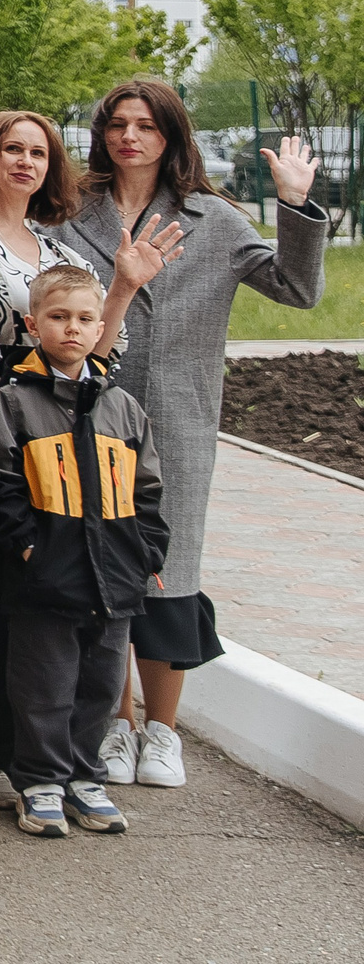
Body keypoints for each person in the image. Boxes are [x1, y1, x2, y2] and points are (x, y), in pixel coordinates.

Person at [52, 79, 324, 790]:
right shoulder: (72, 216)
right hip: (89, 420)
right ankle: (115, 724)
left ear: (171, 136)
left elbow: (297, 288)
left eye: (145, 125)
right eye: (117, 123)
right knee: (100, 573)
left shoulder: (217, 220)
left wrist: (294, 205)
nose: (129, 137)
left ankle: (163, 733)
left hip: (180, 426)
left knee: (172, 577)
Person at [0, 109, 169, 811]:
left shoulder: (53, 247)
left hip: (67, 444)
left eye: (39, 151)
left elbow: (96, 349)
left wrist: (121, 286)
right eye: (13, 148)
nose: (26, 161)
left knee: (38, 603)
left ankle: (32, 754)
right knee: (14, 602)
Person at [0, 264, 168, 840]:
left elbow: (147, 489)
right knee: (44, 684)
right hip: (47, 577)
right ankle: (40, 780)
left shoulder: (122, 407)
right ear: (34, 324)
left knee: (100, 684)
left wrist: (147, 554)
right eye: (58, 318)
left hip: (115, 577)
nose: (73, 330)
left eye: (85, 319)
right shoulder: (14, 402)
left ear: (101, 324)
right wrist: (27, 547)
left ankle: (85, 776)